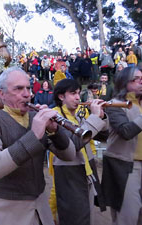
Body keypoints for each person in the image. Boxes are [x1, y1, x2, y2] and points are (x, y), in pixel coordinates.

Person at [0, 67, 76, 225]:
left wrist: (55, 131)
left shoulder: (36, 117)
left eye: (28, 88)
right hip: (8, 208)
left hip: (40, 202)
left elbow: (69, 155)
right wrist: (34, 135)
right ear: (2, 94)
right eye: (18, 89)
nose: (27, 94)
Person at [50, 79, 108, 225]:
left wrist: (101, 116)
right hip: (69, 174)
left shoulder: (78, 116)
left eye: (78, 93)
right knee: (75, 217)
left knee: (86, 216)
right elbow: (73, 144)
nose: (78, 98)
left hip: (86, 172)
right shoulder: (54, 116)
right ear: (61, 96)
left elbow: (104, 137)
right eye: (73, 93)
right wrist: (94, 117)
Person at [101, 66, 142, 225]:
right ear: (124, 82)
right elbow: (126, 132)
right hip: (125, 166)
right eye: (136, 79)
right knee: (128, 215)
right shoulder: (115, 104)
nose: (141, 82)